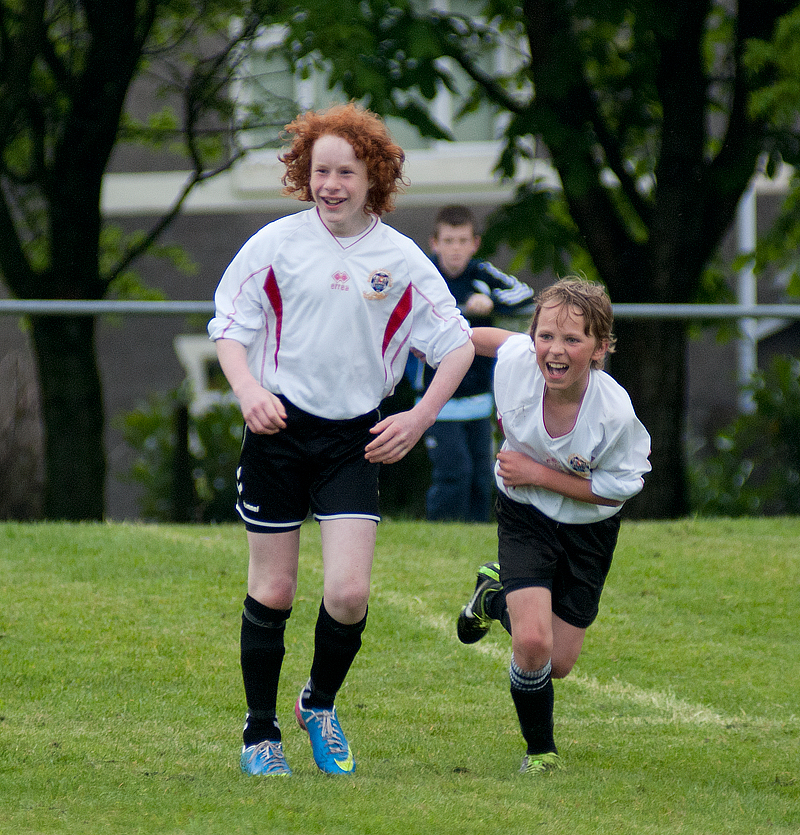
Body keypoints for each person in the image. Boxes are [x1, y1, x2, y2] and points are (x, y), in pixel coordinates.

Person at [208, 103, 474, 777]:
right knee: (274, 589)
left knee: (349, 593)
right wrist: (249, 392)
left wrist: (417, 420)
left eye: (344, 172)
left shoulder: (402, 260)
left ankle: (317, 702)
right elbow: (229, 327)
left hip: (355, 440)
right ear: (304, 174)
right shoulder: (276, 244)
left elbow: (457, 347)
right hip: (278, 433)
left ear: (373, 176)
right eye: (318, 170)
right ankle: (259, 732)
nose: (329, 184)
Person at [455, 277, 651, 774]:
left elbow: (618, 488)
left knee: (558, 662)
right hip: (524, 514)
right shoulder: (521, 361)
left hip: (589, 527)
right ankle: (540, 752)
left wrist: (538, 472)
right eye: (546, 336)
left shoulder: (614, 414)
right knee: (533, 643)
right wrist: (433, 336)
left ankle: (490, 596)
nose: (554, 350)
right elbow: (482, 339)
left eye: (572, 339)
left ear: (600, 348)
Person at [408, 205, 535, 522]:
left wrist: (492, 301)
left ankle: (477, 535)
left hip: (479, 401)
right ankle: (438, 536)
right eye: (448, 240)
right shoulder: (423, 276)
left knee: (482, 477)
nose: (456, 249)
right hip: (439, 401)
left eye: (463, 240)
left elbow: (524, 293)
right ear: (434, 243)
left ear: (474, 243)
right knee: (454, 475)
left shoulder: (482, 274)